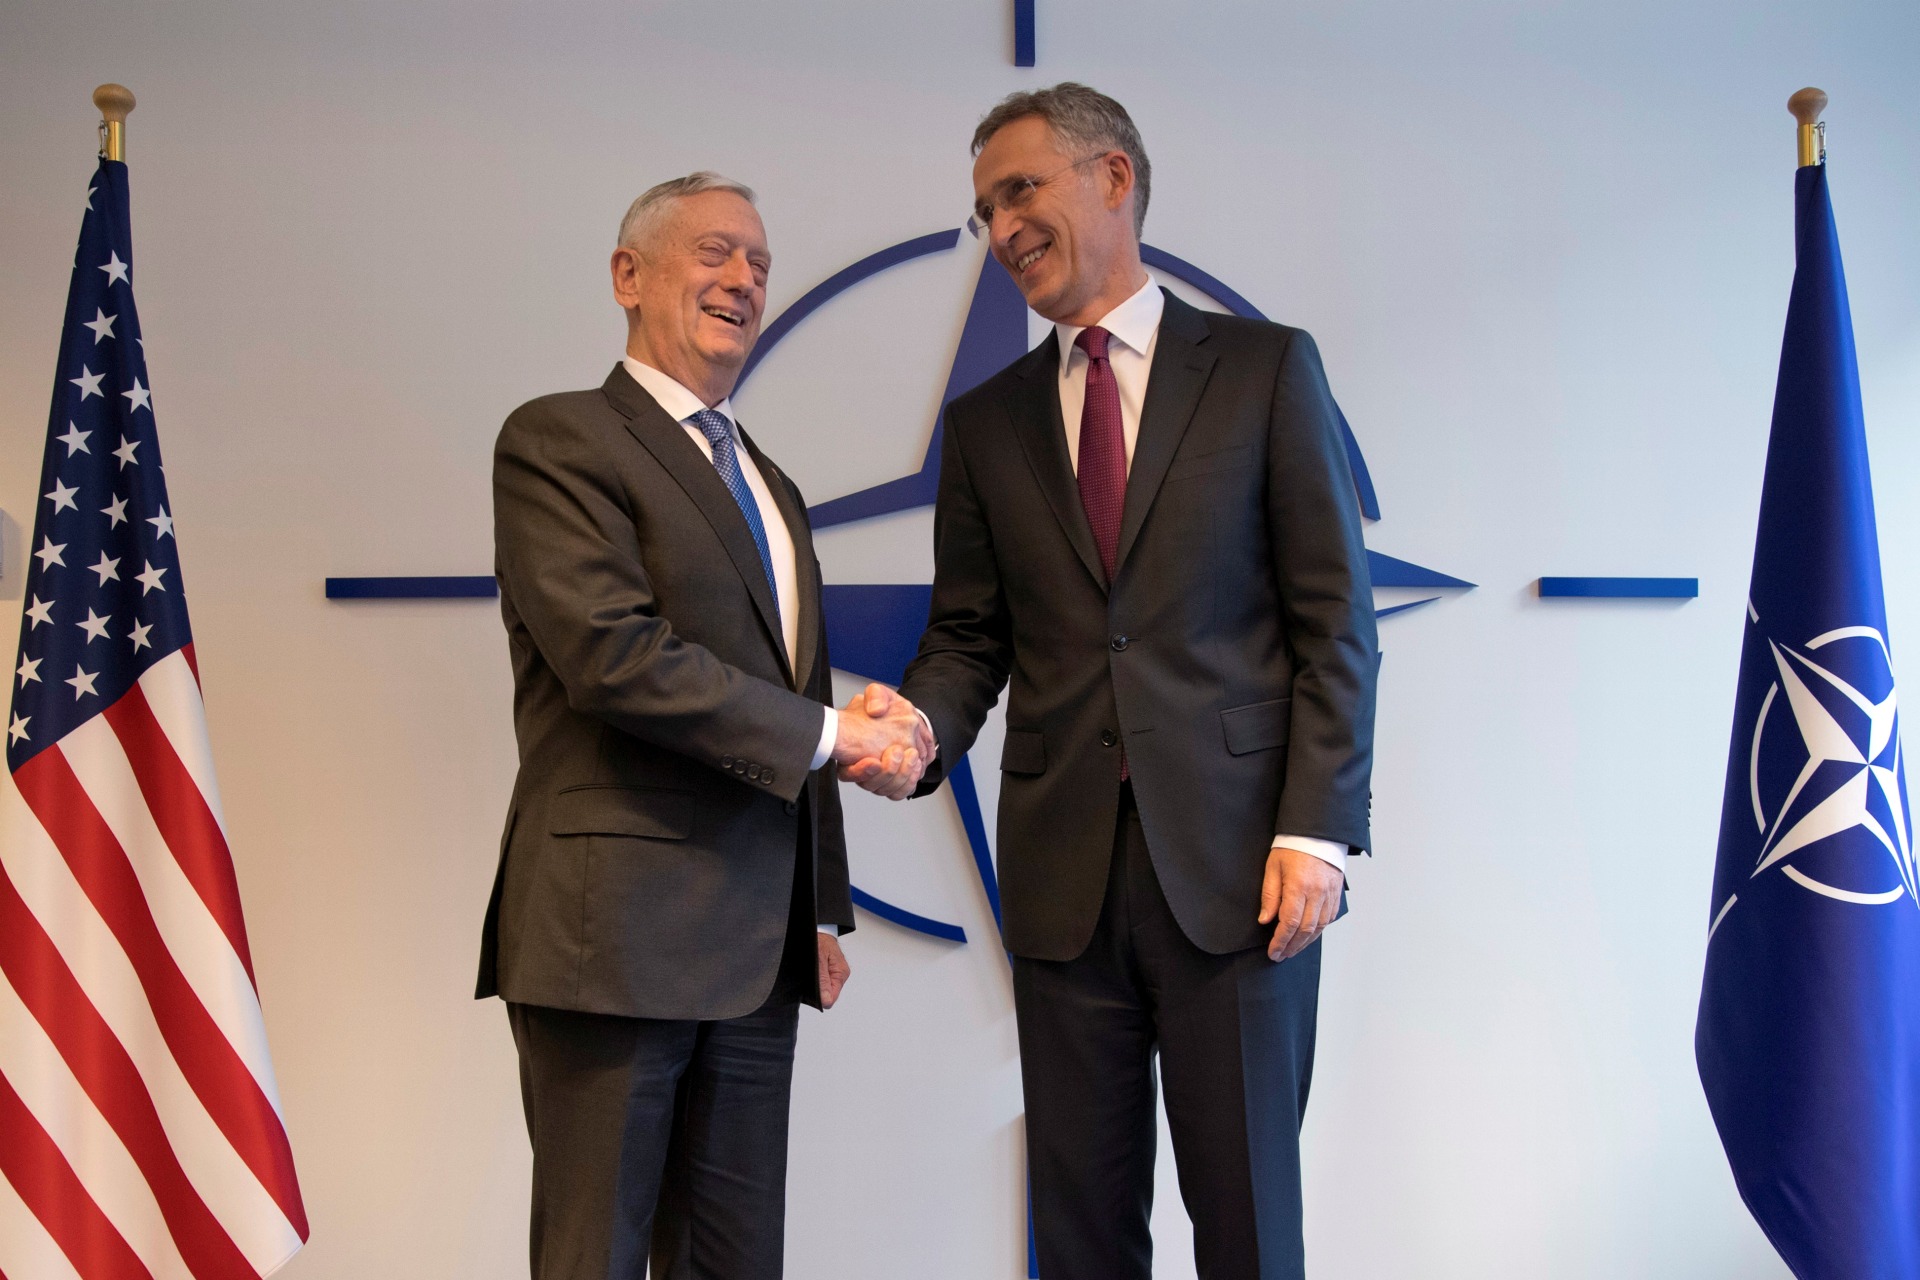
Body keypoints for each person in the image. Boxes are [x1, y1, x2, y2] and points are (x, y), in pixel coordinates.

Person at [852, 86, 1378, 1279]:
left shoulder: (1264, 370)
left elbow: (1335, 621)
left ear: (1114, 178)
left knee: (1249, 1228)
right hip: (1063, 887)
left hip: (1244, 879)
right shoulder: (986, 425)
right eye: (987, 209)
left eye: (1021, 190)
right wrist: (918, 725)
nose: (1002, 228)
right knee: (1082, 1235)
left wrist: (1317, 831)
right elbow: (970, 636)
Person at [477, 172, 926, 1280]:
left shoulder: (770, 482)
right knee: (595, 1258)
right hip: (613, 944)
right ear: (628, 276)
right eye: (715, 252)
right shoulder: (559, 439)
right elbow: (613, 656)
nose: (744, 280)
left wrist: (814, 905)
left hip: (758, 956)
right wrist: (836, 733)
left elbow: (791, 682)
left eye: (760, 263)